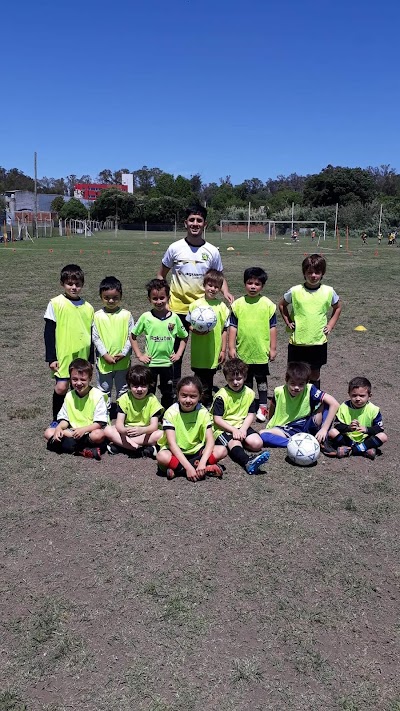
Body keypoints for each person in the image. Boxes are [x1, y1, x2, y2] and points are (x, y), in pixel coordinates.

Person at [157, 205, 233, 385]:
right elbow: (161, 275)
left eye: (199, 220)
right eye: (191, 220)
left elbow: (219, 276)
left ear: (204, 224)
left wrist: (226, 291)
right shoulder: (175, 248)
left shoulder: (212, 251)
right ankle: (174, 389)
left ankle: (202, 391)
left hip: (204, 312)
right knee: (175, 353)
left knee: (205, 355)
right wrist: (164, 301)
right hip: (177, 309)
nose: (195, 223)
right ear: (185, 223)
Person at [278, 254, 342, 389]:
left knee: (314, 374)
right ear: (304, 273)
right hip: (298, 342)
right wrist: (288, 321)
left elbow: (338, 307)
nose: (313, 275)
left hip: (318, 342)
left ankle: (314, 402)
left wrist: (330, 325)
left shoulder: (329, 291)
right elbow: (282, 305)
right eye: (309, 272)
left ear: (322, 273)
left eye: (317, 272)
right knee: (295, 374)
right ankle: (294, 402)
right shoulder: (295, 291)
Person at [44, 264, 94, 421]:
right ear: (62, 284)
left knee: (79, 387)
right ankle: (57, 419)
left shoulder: (88, 307)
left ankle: (77, 418)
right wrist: (51, 358)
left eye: (77, 284)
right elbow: (49, 333)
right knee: (61, 387)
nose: (74, 287)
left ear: (82, 285)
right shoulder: (55, 303)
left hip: (82, 355)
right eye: (70, 284)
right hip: (63, 355)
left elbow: (92, 335)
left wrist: (91, 359)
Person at [228, 267, 277, 422]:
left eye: (257, 283)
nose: (253, 286)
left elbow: (273, 328)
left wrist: (273, 348)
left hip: (261, 351)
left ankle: (262, 406)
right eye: (250, 283)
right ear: (244, 284)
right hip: (244, 351)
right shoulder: (238, 305)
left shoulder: (268, 305)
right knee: (245, 379)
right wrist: (231, 347)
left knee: (261, 379)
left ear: (262, 286)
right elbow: (233, 327)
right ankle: (247, 406)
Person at [130, 279, 188, 409]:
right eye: (155, 298)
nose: (159, 301)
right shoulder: (146, 317)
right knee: (148, 392)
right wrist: (140, 355)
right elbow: (133, 336)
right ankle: (148, 416)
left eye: (162, 298)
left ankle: (165, 417)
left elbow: (184, 337)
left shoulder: (174, 318)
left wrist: (178, 354)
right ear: (149, 299)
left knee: (168, 392)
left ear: (168, 297)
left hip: (167, 364)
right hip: (151, 364)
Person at [156, 376, 226, 481]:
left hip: (196, 452)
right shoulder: (170, 413)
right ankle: (198, 470)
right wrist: (188, 468)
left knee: (222, 450)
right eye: (184, 396)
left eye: (193, 396)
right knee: (162, 456)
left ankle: (179, 469)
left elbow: (210, 441)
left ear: (200, 396)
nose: (188, 400)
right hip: (175, 452)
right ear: (178, 394)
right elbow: (172, 444)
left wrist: (202, 461)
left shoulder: (203, 412)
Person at [259, 361, 339, 449]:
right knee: (263, 434)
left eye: (301, 384)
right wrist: (271, 421)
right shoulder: (279, 391)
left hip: (306, 424)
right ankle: (295, 443)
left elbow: (335, 404)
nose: (296, 387)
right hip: (287, 427)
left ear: (307, 382)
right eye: (293, 383)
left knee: (326, 404)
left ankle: (324, 438)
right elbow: (273, 406)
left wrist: (324, 429)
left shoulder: (310, 389)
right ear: (286, 380)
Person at [212, 358, 270, 475]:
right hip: (222, 428)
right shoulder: (221, 396)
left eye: (238, 378)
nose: (235, 382)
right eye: (231, 379)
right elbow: (217, 419)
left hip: (240, 425)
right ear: (226, 378)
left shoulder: (249, 393)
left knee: (257, 444)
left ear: (244, 377)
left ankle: (238, 447)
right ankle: (247, 462)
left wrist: (243, 429)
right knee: (235, 442)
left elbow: (250, 414)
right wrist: (233, 430)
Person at [44, 359, 108, 460]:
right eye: (74, 379)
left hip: (89, 431)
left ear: (90, 378)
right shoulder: (69, 396)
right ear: (70, 378)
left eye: (82, 380)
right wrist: (59, 428)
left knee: (98, 435)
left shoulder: (97, 395)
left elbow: (100, 423)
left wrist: (83, 430)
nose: (78, 383)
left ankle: (72, 447)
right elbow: (65, 419)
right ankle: (83, 450)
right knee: (49, 433)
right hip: (73, 431)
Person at [186, 269, 230, 406]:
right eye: (210, 285)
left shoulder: (222, 307)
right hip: (199, 351)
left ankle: (206, 403)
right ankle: (196, 401)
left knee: (209, 377)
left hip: (213, 350)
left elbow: (224, 330)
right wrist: (195, 330)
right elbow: (188, 324)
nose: (213, 289)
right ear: (204, 285)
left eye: (216, 287)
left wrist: (223, 350)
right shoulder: (195, 305)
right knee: (198, 376)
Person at [104, 364, 163, 457]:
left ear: (149, 385)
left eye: (143, 386)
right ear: (129, 386)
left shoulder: (152, 400)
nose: (139, 389)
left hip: (144, 432)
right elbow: (119, 424)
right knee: (107, 429)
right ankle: (140, 449)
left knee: (161, 434)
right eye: (135, 386)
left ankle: (123, 446)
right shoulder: (124, 398)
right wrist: (124, 431)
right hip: (128, 431)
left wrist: (142, 430)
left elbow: (154, 426)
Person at [92, 276, 134, 403]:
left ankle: (122, 415)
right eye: (107, 298)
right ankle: (104, 417)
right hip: (104, 362)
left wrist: (124, 352)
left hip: (123, 361)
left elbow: (131, 336)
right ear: (101, 296)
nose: (111, 301)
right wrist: (105, 354)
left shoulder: (126, 315)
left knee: (123, 389)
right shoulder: (97, 316)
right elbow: (96, 337)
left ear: (121, 296)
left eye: (115, 298)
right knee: (104, 390)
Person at [326, 377, 387, 459]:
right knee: (332, 432)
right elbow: (337, 425)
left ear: (369, 396)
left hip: (365, 439)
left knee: (383, 436)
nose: (358, 399)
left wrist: (367, 430)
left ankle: (352, 450)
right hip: (348, 438)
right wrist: (348, 428)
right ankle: (365, 450)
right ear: (349, 394)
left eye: (362, 396)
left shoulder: (374, 409)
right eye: (354, 395)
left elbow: (379, 428)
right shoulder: (343, 407)